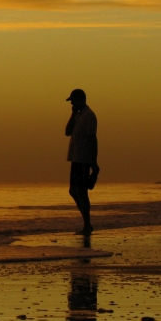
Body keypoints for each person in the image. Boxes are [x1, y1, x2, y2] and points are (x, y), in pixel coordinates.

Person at [65, 89, 99, 234]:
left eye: (73, 100)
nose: (71, 103)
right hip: (75, 158)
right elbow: (67, 132)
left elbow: (93, 140)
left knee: (82, 192)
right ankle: (87, 222)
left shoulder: (89, 116)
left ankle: (87, 225)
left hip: (84, 159)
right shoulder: (78, 115)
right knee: (73, 191)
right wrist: (73, 114)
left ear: (81, 99)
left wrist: (93, 161)